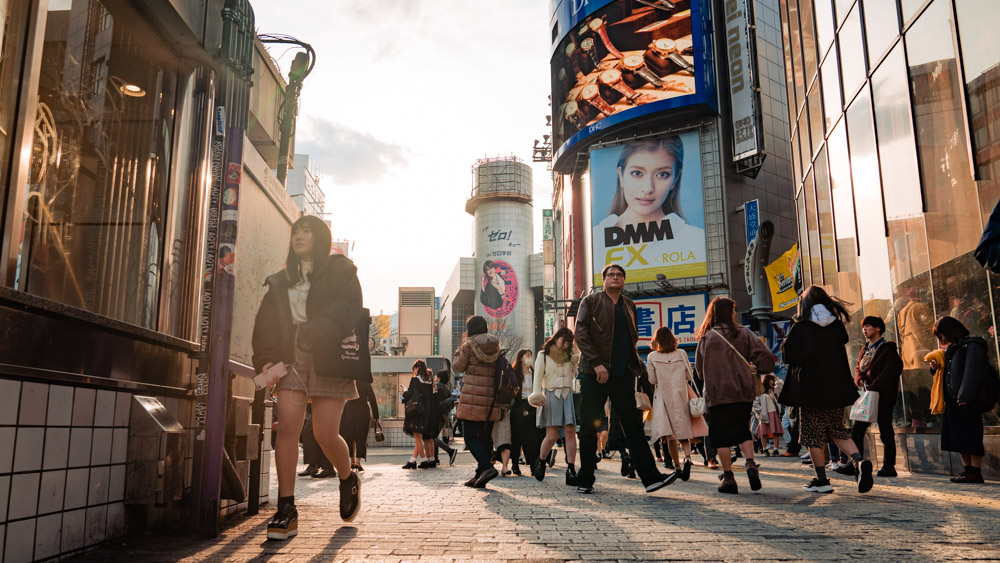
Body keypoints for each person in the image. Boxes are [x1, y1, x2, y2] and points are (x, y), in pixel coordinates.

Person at [252, 215, 364, 539]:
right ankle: (286, 509)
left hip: (330, 355)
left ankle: (347, 478)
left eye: (306, 232)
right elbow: (266, 324)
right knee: (288, 427)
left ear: (320, 237)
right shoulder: (281, 280)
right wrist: (266, 360)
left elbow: (349, 308)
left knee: (325, 433)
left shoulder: (341, 270)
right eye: (295, 232)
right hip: (291, 357)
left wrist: (316, 331)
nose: (299, 237)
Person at [574, 264, 679, 494]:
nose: (615, 277)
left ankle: (651, 478)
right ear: (603, 280)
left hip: (622, 375)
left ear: (623, 280)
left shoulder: (629, 305)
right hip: (594, 374)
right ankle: (585, 478)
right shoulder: (591, 301)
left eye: (619, 275)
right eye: (611, 275)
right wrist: (597, 363)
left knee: (633, 427)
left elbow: (632, 340)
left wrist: (636, 368)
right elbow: (580, 333)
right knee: (589, 427)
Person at [780, 286, 875, 495]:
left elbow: (791, 357)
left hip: (810, 390)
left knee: (813, 435)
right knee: (837, 429)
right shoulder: (836, 326)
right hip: (836, 389)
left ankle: (821, 480)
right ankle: (859, 462)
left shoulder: (802, 326)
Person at [593, 137, 706, 278]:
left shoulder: (697, 240)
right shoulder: (594, 239)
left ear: (675, 179)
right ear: (621, 176)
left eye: (662, 174)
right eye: (637, 173)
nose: (648, 188)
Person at [695, 297, 774, 494]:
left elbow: (699, 371)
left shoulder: (706, 337)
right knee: (742, 430)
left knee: (721, 436)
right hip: (742, 391)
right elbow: (765, 356)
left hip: (718, 393)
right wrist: (759, 368)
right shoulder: (743, 332)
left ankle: (728, 477)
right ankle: (750, 464)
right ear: (729, 312)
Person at [930, 316, 990, 483]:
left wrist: (964, 396)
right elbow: (949, 373)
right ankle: (967, 470)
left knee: (971, 435)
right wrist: (935, 368)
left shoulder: (972, 346)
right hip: (953, 398)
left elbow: (972, 373)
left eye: (942, 334)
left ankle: (976, 472)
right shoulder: (952, 349)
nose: (941, 338)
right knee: (958, 436)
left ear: (951, 331)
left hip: (968, 399)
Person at [646, 326, 707, 481]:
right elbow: (689, 375)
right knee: (683, 431)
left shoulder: (652, 356)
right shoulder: (681, 353)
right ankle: (687, 458)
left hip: (663, 396)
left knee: (669, 435)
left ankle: (677, 467)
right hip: (681, 394)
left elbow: (652, 380)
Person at [453, 315, 504, 488]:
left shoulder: (469, 345)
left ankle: (487, 468)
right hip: (490, 401)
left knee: (470, 438)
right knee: (485, 438)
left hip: (472, 401)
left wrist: (459, 348)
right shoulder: (495, 345)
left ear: (470, 328)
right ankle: (479, 475)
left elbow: (458, 366)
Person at [850, 316, 904, 477]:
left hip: (883, 396)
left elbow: (891, 371)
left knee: (885, 429)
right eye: (863, 327)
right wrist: (859, 379)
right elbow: (858, 367)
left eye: (868, 326)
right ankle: (856, 464)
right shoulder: (866, 348)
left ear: (878, 328)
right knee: (857, 430)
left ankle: (889, 466)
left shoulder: (887, 349)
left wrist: (873, 386)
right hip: (867, 395)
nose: (864, 329)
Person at [529, 327, 581, 485]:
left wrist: (575, 351)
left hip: (567, 395)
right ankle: (541, 461)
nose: (565, 345)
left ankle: (571, 469)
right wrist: (537, 396)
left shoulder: (569, 355)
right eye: (563, 341)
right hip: (551, 395)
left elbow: (578, 368)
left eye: (568, 343)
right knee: (552, 436)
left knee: (570, 432)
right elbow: (537, 378)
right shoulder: (543, 355)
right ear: (557, 337)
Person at [509, 349, 543, 476]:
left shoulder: (534, 372)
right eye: (527, 355)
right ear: (521, 358)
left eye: (531, 355)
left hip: (532, 405)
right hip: (518, 406)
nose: (530, 358)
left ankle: (533, 465)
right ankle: (515, 464)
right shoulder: (514, 372)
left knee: (532, 437)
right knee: (517, 436)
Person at [401, 360, 440, 469]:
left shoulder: (415, 380)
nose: (413, 371)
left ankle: (423, 460)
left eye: (413, 369)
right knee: (425, 437)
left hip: (417, 411)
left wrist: (404, 391)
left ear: (417, 368)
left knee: (417, 435)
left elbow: (409, 395)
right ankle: (427, 459)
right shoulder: (429, 381)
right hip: (428, 412)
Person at [340, 380, 379, 473]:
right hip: (363, 411)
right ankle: (358, 462)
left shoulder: (349, 380)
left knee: (349, 436)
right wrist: (376, 415)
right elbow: (372, 399)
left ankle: (352, 461)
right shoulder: (365, 382)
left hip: (349, 411)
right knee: (361, 437)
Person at [432, 370, 459, 466]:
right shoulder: (446, 389)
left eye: (436, 376)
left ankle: (450, 451)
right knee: (434, 436)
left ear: (439, 378)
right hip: (444, 416)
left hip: (437, 415)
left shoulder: (437, 386)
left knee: (431, 436)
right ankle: (435, 459)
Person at [753, 374, 783, 456]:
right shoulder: (761, 392)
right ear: (767, 381)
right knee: (764, 433)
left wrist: (776, 378)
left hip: (774, 413)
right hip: (765, 414)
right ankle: (765, 449)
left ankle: (776, 449)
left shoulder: (774, 390)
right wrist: (760, 412)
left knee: (776, 432)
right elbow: (755, 403)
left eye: (773, 380)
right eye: (771, 380)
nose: (773, 382)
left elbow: (781, 385)